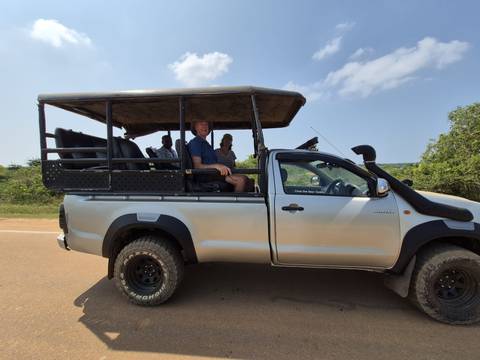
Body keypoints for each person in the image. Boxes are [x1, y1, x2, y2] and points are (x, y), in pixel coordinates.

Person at [188, 121, 248, 192]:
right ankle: (235, 203)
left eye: (206, 124)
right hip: (205, 175)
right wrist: (217, 166)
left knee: (246, 179)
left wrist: (220, 167)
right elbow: (197, 166)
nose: (205, 126)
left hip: (213, 174)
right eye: (201, 124)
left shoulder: (206, 144)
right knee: (241, 180)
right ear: (195, 127)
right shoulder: (195, 142)